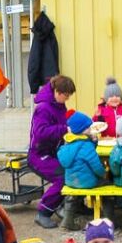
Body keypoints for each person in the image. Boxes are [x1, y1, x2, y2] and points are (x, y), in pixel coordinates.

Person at [29, 74, 76, 229]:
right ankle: (43, 213)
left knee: (74, 167)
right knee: (63, 176)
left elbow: (63, 124)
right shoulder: (43, 108)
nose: (67, 99)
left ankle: (62, 206)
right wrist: (65, 129)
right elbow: (41, 132)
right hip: (39, 155)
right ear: (57, 92)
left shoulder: (59, 105)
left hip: (54, 151)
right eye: (66, 95)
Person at [57, 111, 107, 230]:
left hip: (70, 181)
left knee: (72, 195)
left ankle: (67, 221)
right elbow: (96, 165)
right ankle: (106, 217)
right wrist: (104, 174)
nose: (91, 129)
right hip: (87, 182)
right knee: (107, 184)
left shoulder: (68, 142)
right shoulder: (86, 146)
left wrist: (93, 141)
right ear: (83, 130)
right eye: (89, 128)